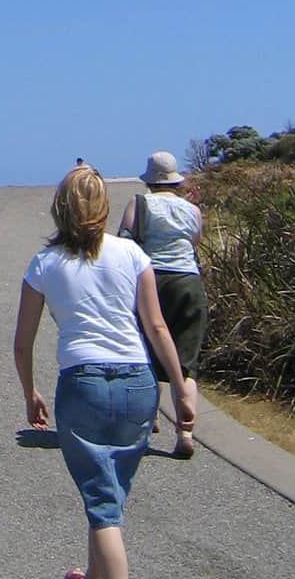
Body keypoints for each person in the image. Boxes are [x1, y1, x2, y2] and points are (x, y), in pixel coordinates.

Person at [13, 165, 195, 579]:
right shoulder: (132, 255)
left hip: (84, 386)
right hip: (138, 384)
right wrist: (181, 387)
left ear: (61, 208)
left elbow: (22, 343)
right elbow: (157, 326)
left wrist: (31, 393)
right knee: (109, 495)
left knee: (102, 508)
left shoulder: (44, 264)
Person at [118, 151, 205, 459]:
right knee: (186, 362)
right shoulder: (192, 210)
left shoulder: (139, 204)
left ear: (150, 180)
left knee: (146, 351)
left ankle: (148, 419)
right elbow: (194, 243)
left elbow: (125, 241)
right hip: (188, 283)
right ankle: (185, 431)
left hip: (151, 280)